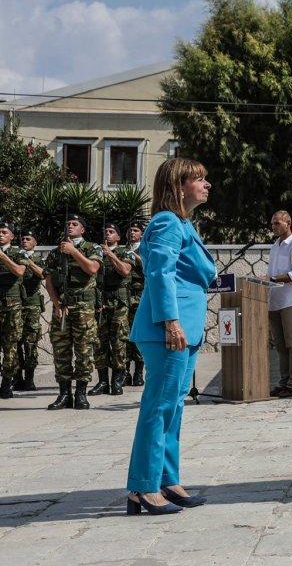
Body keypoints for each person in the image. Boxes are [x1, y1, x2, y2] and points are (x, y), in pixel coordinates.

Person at [125, 157, 216, 515]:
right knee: (159, 406)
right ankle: (143, 487)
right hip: (169, 329)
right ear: (179, 187)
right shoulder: (166, 222)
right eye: (199, 179)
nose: (207, 185)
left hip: (182, 328)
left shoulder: (182, 223)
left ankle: (167, 480)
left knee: (173, 406)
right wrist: (170, 322)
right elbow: (159, 274)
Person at [43, 214, 102, 409]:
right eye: (67, 223)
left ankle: (81, 393)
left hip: (84, 308)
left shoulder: (92, 248)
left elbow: (92, 268)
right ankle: (64, 394)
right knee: (61, 350)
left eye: (74, 224)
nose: (70, 226)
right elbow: (49, 280)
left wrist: (74, 251)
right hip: (63, 307)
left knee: (84, 351)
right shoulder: (55, 252)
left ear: (82, 230)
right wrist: (56, 304)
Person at [266, 210, 292, 398]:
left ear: (288, 223)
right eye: (272, 223)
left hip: (290, 300)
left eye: (277, 223)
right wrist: (267, 280)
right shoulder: (275, 246)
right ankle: (283, 383)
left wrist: (272, 278)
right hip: (274, 301)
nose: (273, 226)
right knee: (280, 346)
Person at [90, 223, 135, 396]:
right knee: (99, 343)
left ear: (118, 237)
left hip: (119, 303)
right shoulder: (96, 252)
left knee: (118, 342)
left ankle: (117, 380)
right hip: (101, 302)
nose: (107, 234)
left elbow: (125, 271)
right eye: (105, 232)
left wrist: (111, 255)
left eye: (111, 232)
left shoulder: (126, 252)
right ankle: (102, 381)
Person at [0, 221, 28, 399]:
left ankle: (6, 383)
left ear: (11, 236)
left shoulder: (19, 253)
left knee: (10, 346)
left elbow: (19, 271)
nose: (0, 235)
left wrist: (3, 257)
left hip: (12, 306)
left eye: (4, 232)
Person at [17, 231, 45, 392]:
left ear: (35, 243)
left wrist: (28, 262)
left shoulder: (39, 259)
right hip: (15, 304)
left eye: (28, 239)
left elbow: (43, 274)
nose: (25, 241)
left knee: (30, 342)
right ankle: (17, 377)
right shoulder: (14, 256)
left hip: (32, 305)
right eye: (23, 239)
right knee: (15, 342)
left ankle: (29, 378)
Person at [124, 222, 145, 387]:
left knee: (138, 334)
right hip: (124, 296)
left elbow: (148, 265)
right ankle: (125, 373)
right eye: (130, 230)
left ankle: (138, 372)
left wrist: (134, 255)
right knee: (124, 336)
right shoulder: (122, 249)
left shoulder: (145, 248)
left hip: (139, 296)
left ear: (142, 234)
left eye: (136, 230)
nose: (132, 233)